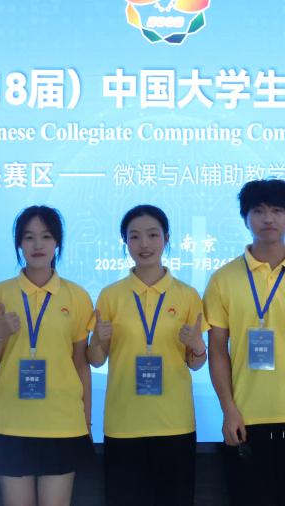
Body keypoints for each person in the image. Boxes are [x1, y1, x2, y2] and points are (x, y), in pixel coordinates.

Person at [203, 179, 285, 506]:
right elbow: (217, 350)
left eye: (277, 210)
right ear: (245, 218)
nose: (268, 218)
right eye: (258, 211)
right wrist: (228, 409)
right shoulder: (223, 279)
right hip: (247, 415)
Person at [88, 204, 208, 506]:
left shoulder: (187, 295)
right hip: (123, 422)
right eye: (135, 236)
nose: (144, 244)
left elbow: (196, 363)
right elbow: (95, 359)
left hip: (175, 423)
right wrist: (99, 340)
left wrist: (197, 345)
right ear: (125, 242)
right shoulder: (111, 295)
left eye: (153, 235)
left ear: (167, 238)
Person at [0, 205, 94, 506]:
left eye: (46, 236)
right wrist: (0, 332)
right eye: (29, 237)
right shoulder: (0, 294)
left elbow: (81, 364)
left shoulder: (77, 296)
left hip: (63, 423)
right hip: (10, 422)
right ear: (19, 243)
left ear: (57, 242)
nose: (38, 244)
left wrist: (87, 422)